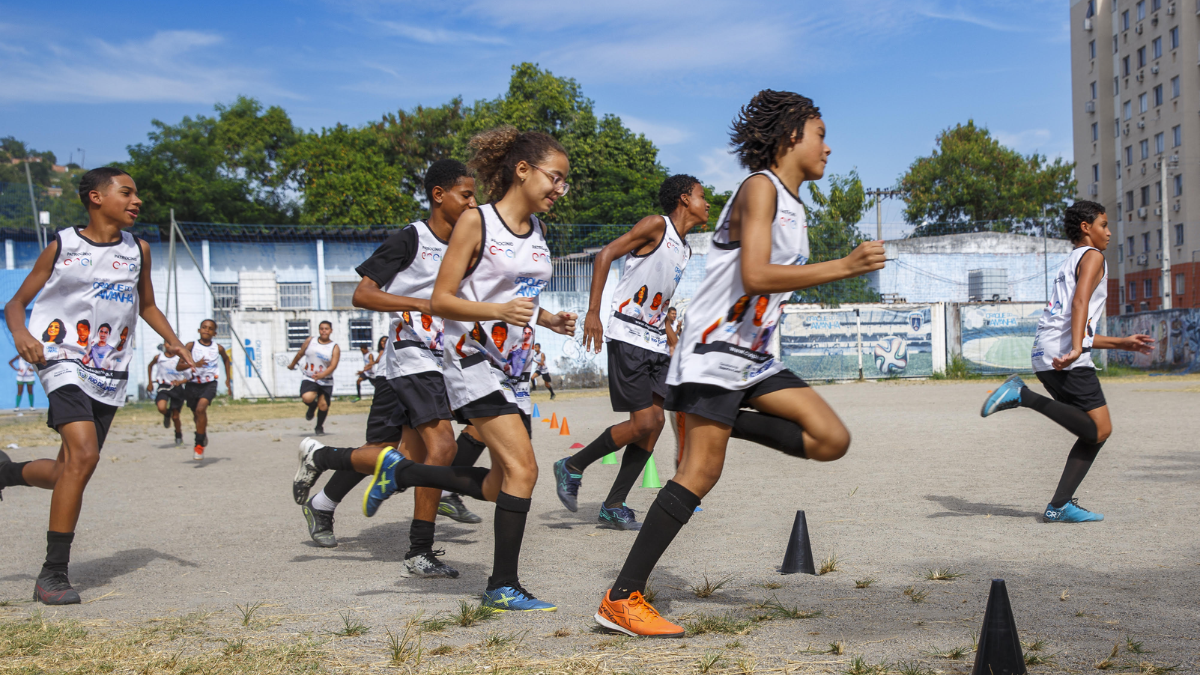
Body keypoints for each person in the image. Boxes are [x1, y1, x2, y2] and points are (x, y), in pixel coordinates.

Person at [594, 91, 886, 637]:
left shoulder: (795, 205)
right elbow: (754, 274)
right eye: (820, 134)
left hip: (751, 356)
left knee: (830, 438)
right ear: (790, 137)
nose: (828, 146)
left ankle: (729, 423)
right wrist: (843, 266)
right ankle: (621, 598)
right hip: (713, 351)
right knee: (699, 473)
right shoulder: (760, 187)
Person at [360, 126, 576, 612]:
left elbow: (516, 298)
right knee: (525, 469)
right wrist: (500, 314)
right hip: (472, 364)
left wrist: (548, 319)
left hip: (514, 370)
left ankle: (405, 470)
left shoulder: (538, 231)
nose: (560, 189)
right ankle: (502, 586)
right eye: (555, 178)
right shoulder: (476, 223)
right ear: (523, 171)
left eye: (565, 181)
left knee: (502, 483)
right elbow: (441, 299)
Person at [0, 167, 194, 604]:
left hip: (109, 369)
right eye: (127, 192)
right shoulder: (62, 245)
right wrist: (22, 335)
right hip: (61, 356)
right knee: (83, 453)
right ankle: (52, 574)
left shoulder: (138, 250)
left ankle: (7, 472)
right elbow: (15, 304)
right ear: (95, 198)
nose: (136, 200)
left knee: (72, 468)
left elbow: (146, 304)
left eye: (137, 194)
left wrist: (175, 342)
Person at [291, 160, 486, 572]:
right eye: (466, 195)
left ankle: (323, 478)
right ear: (439, 195)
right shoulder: (411, 239)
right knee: (442, 448)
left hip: (438, 360)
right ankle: (419, 550)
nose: (474, 203)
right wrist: (418, 304)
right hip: (411, 355)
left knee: (385, 455)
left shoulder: (468, 246)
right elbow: (363, 295)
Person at [981, 201, 1153, 523]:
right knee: (1100, 429)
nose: (1109, 232)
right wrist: (1076, 350)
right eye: (1103, 224)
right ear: (1086, 227)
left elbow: (1076, 320)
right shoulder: (1093, 257)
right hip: (1064, 357)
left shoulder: (1069, 261)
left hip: (1047, 354)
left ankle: (1058, 506)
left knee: (1094, 432)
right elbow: (1080, 303)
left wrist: (1121, 343)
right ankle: (1022, 395)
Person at [554, 175, 709, 531]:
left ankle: (613, 504)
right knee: (643, 422)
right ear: (684, 199)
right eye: (702, 196)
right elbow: (606, 254)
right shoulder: (657, 226)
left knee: (653, 429)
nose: (708, 203)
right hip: (628, 334)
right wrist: (594, 311)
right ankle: (572, 465)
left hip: (655, 342)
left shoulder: (685, 249)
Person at [184, 319, 232, 460]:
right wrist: (194, 364)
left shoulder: (218, 348)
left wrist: (228, 379)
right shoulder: (191, 346)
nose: (206, 330)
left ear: (215, 333)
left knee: (201, 409)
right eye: (204, 327)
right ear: (199, 330)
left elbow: (226, 360)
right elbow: (179, 365)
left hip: (209, 383)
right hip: (192, 384)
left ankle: (199, 446)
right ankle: (202, 433)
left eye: (210, 328)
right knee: (196, 415)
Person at [288, 321, 339, 435]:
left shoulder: (334, 347)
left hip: (326, 380)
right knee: (307, 398)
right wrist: (292, 364)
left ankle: (319, 427)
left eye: (326, 329)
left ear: (331, 330)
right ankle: (312, 407)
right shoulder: (310, 341)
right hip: (310, 377)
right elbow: (300, 353)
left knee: (324, 405)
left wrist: (322, 375)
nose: (324, 331)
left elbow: (333, 365)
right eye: (321, 328)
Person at [147, 344, 189, 445]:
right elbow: (150, 366)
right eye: (167, 343)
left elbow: (189, 376)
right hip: (164, 386)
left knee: (175, 417)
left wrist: (181, 382)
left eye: (171, 343)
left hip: (177, 388)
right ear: (164, 344)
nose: (169, 346)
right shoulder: (159, 357)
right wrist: (150, 382)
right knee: (161, 407)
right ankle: (166, 414)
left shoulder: (181, 358)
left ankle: (178, 436)